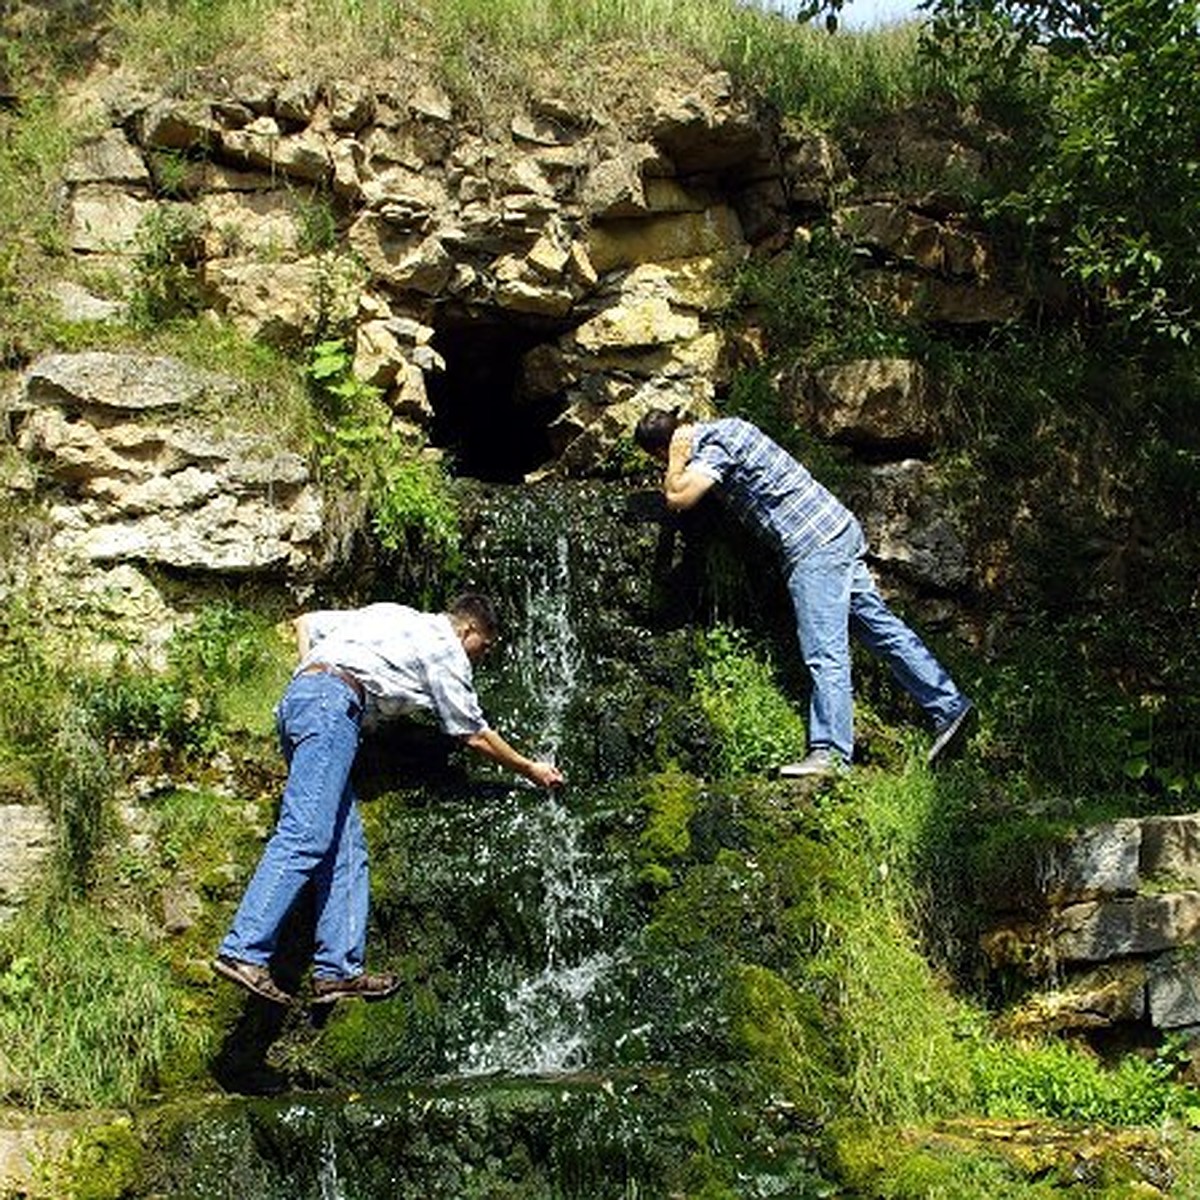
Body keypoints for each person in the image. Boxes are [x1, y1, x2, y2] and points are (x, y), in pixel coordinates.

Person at [214, 593, 563, 1006]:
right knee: (305, 833)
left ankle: (337, 972)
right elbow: (470, 732)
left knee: (346, 850)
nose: (482, 656)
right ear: (467, 630)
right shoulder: (444, 648)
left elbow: (306, 623)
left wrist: (307, 676)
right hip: (331, 706)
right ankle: (243, 949)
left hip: (307, 703)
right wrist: (530, 768)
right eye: (484, 646)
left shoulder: (393, 615)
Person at [635, 409, 974, 777]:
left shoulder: (712, 447)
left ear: (659, 449)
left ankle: (831, 753)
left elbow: (677, 497)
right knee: (880, 630)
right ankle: (949, 705)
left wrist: (674, 461)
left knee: (823, 651)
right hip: (835, 529)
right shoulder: (730, 426)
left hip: (813, 547)